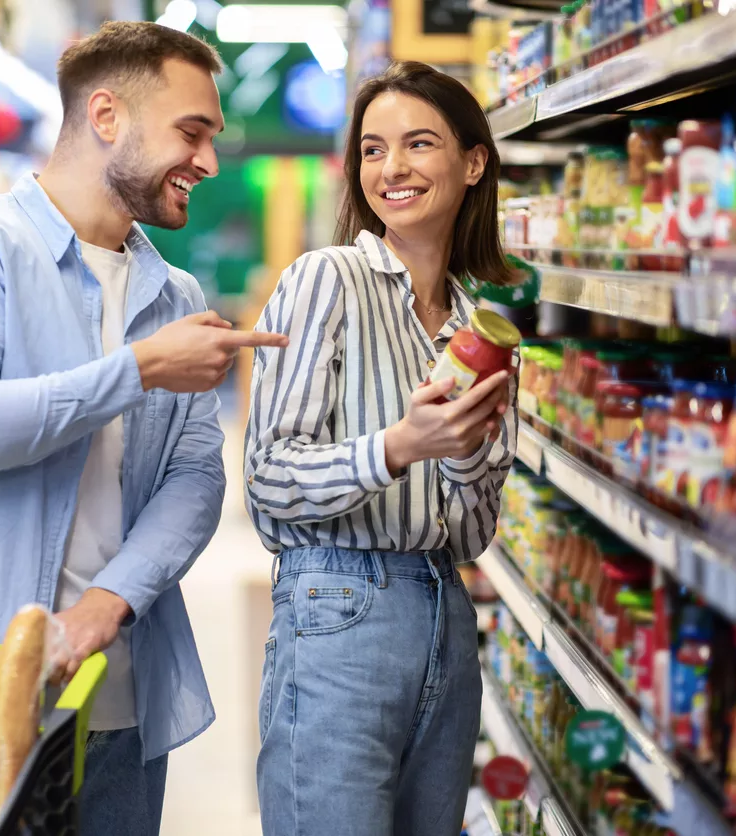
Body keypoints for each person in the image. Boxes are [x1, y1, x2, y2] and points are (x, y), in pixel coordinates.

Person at [0, 21, 286, 836]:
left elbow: (195, 477)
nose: (209, 162)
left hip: (124, 703)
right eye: (192, 132)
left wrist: (107, 606)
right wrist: (137, 368)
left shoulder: (172, 292)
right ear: (106, 116)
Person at [245, 61, 520, 835]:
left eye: (418, 144)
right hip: (337, 607)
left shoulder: (482, 331)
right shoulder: (326, 280)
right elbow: (267, 480)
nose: (391, 168)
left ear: (473, 163)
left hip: (445, 616)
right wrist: (398, 446)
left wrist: (464, 453)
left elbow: (471, 535)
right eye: (372, 149)